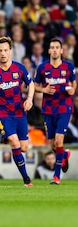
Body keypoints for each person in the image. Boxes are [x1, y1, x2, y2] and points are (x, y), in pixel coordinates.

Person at [0, 36, 35, 186]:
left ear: (10, 51)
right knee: (13, 141)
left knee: (23, 147)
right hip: (3, 113)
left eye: (5, 50)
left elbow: (30, 84)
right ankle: (26, 179)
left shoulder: (19, 68)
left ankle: (21, 165)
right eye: (0, 50)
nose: (3, 53)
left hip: (19, 111)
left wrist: (30, 99)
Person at [34, 37, 76, 185]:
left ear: (61, 50)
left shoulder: (69, 67)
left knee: (59, 140)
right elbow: (35, 85)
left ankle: (56, 176)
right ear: (49, 50)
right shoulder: (42, 68)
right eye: (52, 47)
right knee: (52, 144)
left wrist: (72, 90)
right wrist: (43, 89)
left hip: (64, 107)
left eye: (57, 47)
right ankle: (64, 154)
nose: (55, 50)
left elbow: (74, 83)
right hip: (48, 108)